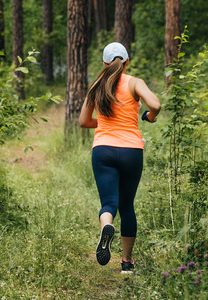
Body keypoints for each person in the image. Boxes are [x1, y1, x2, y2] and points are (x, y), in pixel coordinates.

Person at [79, 42, 161, 273]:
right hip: (131, 151)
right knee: (127, 206)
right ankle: (126, 263)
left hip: (103, 149)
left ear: (104, 63)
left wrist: (106, 123)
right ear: (127, 62)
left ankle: (107, 226)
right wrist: (149, 116)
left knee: (109, 203)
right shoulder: (135, 82)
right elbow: (155, 104)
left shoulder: (96, 85)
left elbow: (83, 121)